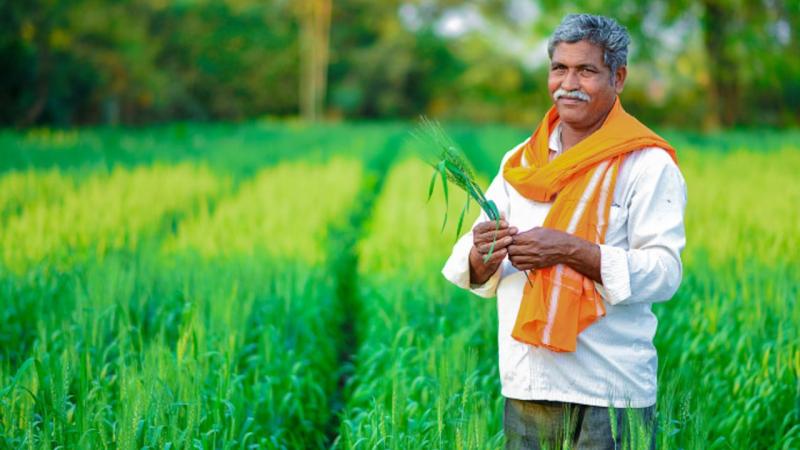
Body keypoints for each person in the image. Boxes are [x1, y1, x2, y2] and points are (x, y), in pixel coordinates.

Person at [441, 13, 687, 450]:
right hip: (529, 383)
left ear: (618, 78)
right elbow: (476, 262)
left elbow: (665, 273)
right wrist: (482, 252)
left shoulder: (647, 165)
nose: (568, 83)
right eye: (559, 68)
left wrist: (571, 250)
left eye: (586, 70)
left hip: (612, 388)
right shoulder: (521, 160)